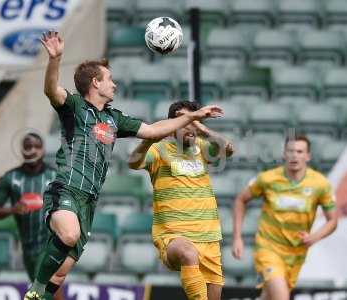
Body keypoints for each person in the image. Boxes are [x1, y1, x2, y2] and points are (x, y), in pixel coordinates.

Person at [24, 31, 223, 300]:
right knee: (68, 235)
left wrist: (194, 116)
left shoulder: (114, 118)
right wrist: (56, 60)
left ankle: (41, 293)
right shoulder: (74, 106)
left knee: (60, 274)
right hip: (67, 189)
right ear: (96, 83)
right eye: (110, 80)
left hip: (89, 201)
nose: (115, 85)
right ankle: (35, 288)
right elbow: (51, 90)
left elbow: (154, 131)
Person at [128, 101, 234, 300]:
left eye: (193, 120)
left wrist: (199, 124)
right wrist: (148, 139)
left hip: (209, 237)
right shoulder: (159, 149)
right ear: (173, 125)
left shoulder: (201, 148)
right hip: (173, 236)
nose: (190, 127)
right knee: (188, 253)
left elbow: (227, 149)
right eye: (185, 122)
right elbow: (133, 162)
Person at [232, 134, 338, 300]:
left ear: (308, 156)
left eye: (299, 151)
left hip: (296, 252)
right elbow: (240, 200)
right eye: (290, 151)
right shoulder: (267, 179)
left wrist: (314, 237)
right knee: (281, 297)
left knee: (269, 296)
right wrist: (237, 237)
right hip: (268, 248)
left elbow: (333, 220)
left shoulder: (320, 184)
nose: (294, 155)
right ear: (284, 154)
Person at [0, 133, 62, 300]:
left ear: (43, 150)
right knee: (47, 290)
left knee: (41, 288)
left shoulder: (55, 176)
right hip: (28, 248)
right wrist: (13, 210)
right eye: (28, 147)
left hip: (50, 243)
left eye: (36, 146)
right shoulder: (10, 178)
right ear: (21, 150)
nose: (32, 151)